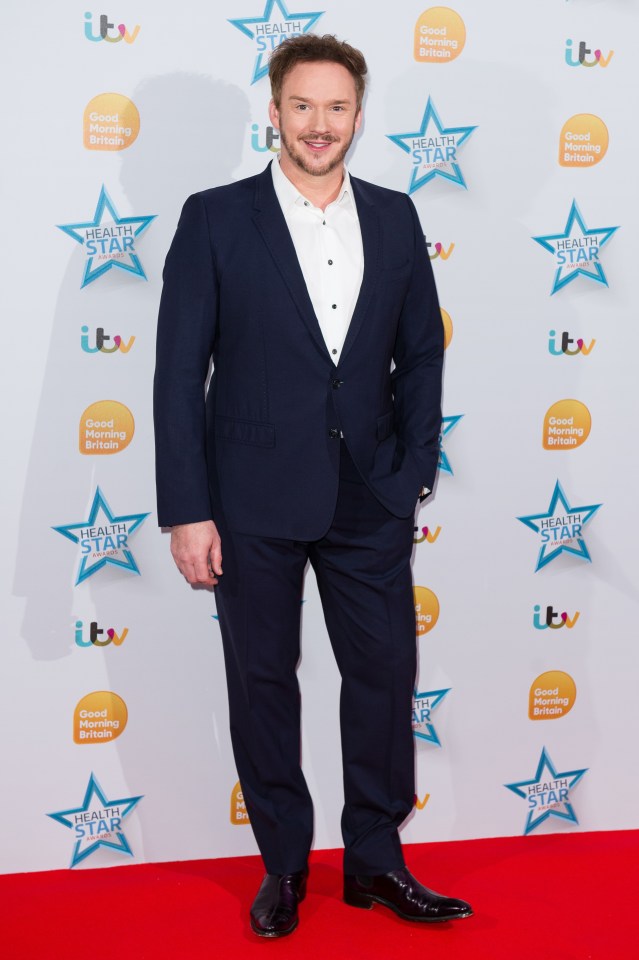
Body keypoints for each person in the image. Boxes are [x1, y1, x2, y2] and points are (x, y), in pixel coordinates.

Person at [154, 33, 472, 938]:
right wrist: (187, 508)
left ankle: (374, 861)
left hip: (368, 493)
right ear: (275, 111)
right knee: (263, 683)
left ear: (359, 117)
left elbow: (421, 353)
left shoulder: (397, 215)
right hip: (248, 498)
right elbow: (180, 374)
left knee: (382, 675)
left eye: (336, 108)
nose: (319, 124)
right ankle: (285, 868)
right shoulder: (215, 218)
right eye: (303, 106)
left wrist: (409, 472)